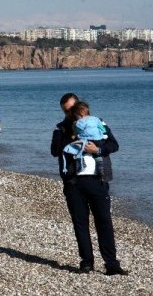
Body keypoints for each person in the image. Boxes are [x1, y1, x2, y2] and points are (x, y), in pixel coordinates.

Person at [50, 93, 128, 276]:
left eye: (72, 109)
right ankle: (86, 262)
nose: (70, 113)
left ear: (80, 107)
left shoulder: (98, 123)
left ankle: (111, 264)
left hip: (98, 180)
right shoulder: (60, 128)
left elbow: (114, 145)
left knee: (104, 222)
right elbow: (55, 150)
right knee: (80, 224)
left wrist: (98, 149)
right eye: (66, 111)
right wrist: (71, 135)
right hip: (74, 182)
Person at [63, 101, 107, 178]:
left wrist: (74, 129)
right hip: (99, 140)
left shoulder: (79, 122)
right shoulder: (96, 119)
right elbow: (102, 128)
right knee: (97, 156)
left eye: (76, 115)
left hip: (87, 140)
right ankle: (100, 167)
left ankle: (81, 164)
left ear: (80, 114)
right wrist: (103, 135)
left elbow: (79, 131)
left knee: (80, 152)